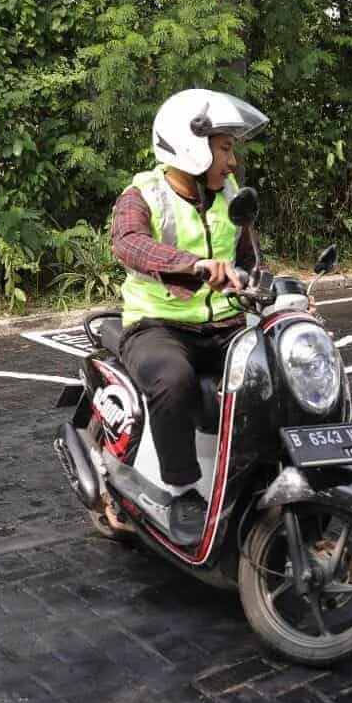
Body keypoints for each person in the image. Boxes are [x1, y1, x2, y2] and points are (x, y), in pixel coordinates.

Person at [109, 88, 268, 544]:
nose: (231, 161)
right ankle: (181, 489)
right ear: (190, 146)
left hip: (224, 325)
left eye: (231, 149)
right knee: (172, 380)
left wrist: (287, 293)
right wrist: (192, 265)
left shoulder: (229, 196)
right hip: (158, 325)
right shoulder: (144, 194)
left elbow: (252, 259)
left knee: (278, 371)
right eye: (224, 148)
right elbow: (129, 243)